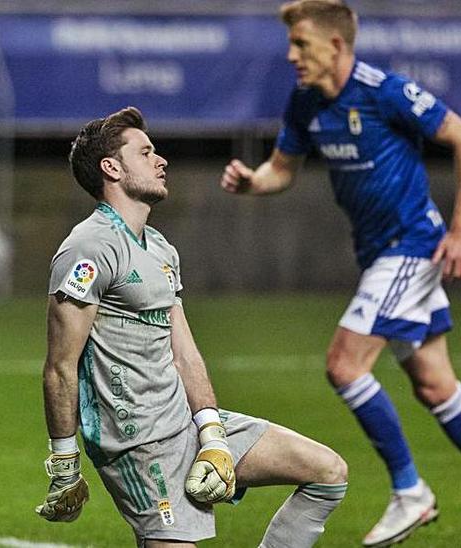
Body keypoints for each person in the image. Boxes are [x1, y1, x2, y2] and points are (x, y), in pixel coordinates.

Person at [220, 2, 461, 547]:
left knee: (344, 365)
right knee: (434, 382)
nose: (291, 55)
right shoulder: (305, 101)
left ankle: (410, 493)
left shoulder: (384, 91)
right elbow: (282, 169)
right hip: (379, 255)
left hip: (412, 247)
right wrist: (254, 181)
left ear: (336, 46)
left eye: (301, 44)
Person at [37, 106, 350, 548]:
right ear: (112, 168)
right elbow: (60, 367)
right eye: (145, 153)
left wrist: (214, 437)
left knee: (327, 472)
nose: (160, 160)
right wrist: (65, 462)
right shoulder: (87, 250)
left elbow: (185, 353)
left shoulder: (162, 249)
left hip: (185, 423)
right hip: (138, 445)